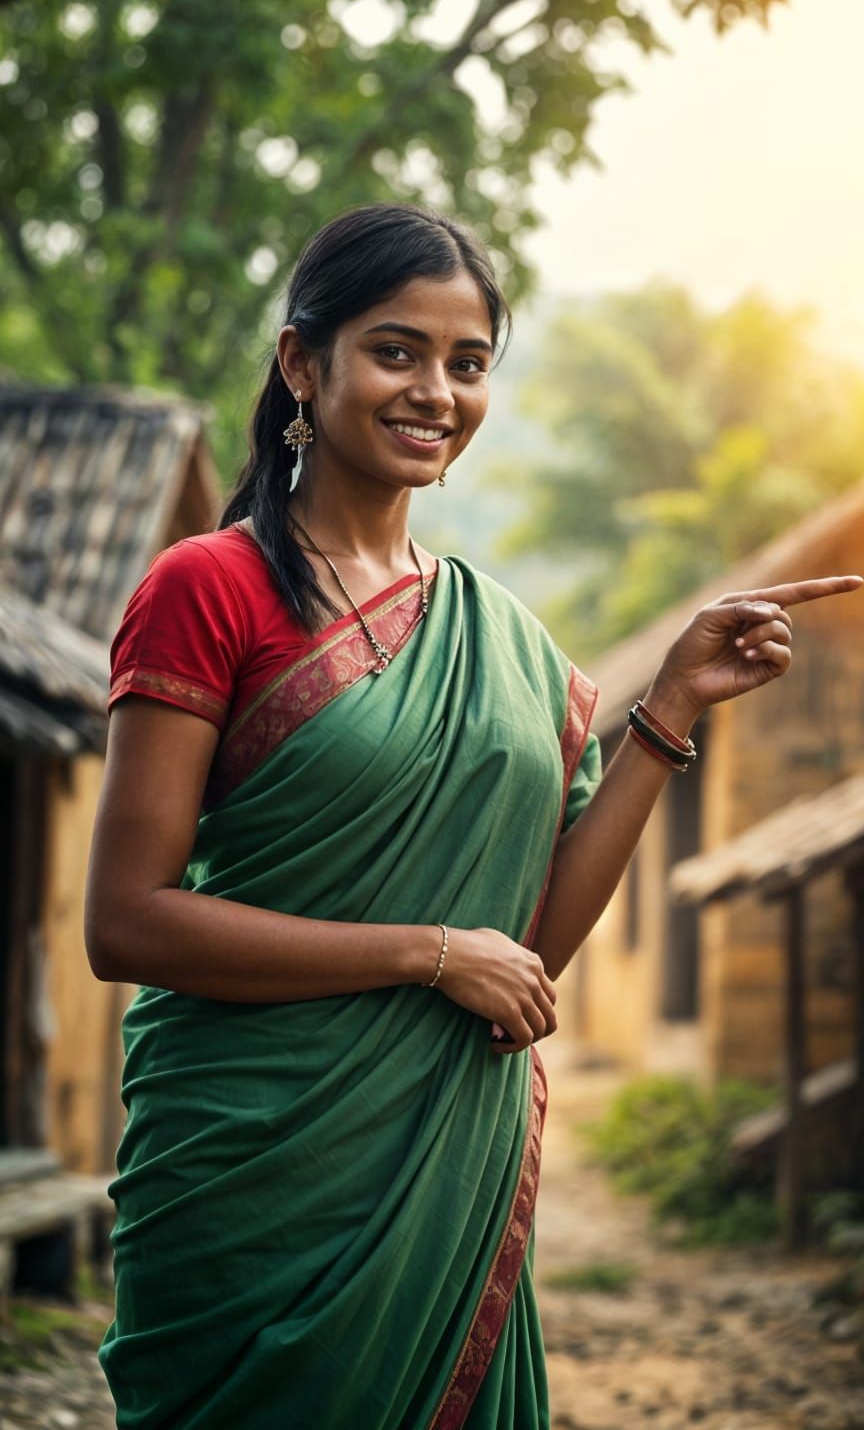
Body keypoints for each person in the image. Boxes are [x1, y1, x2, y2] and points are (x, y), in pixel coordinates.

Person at [85, 202, 861, 1430]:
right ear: (303, 363)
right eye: (396, 350)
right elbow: (125, 926)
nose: (435, 391)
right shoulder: (210, 588)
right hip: (252, 1168)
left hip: (445, 1170)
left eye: (468, 362)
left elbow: (531, 955)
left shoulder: (512, 644)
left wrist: (669, 708)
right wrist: (428, 954)